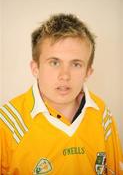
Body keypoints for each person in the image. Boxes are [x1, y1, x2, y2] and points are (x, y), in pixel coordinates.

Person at [0, 13, 123, 175]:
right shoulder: (7, 124)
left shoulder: (101, 114)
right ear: (35, 68)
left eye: (76, 64)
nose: (64, 75)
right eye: (54, 62)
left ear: (88, 72)